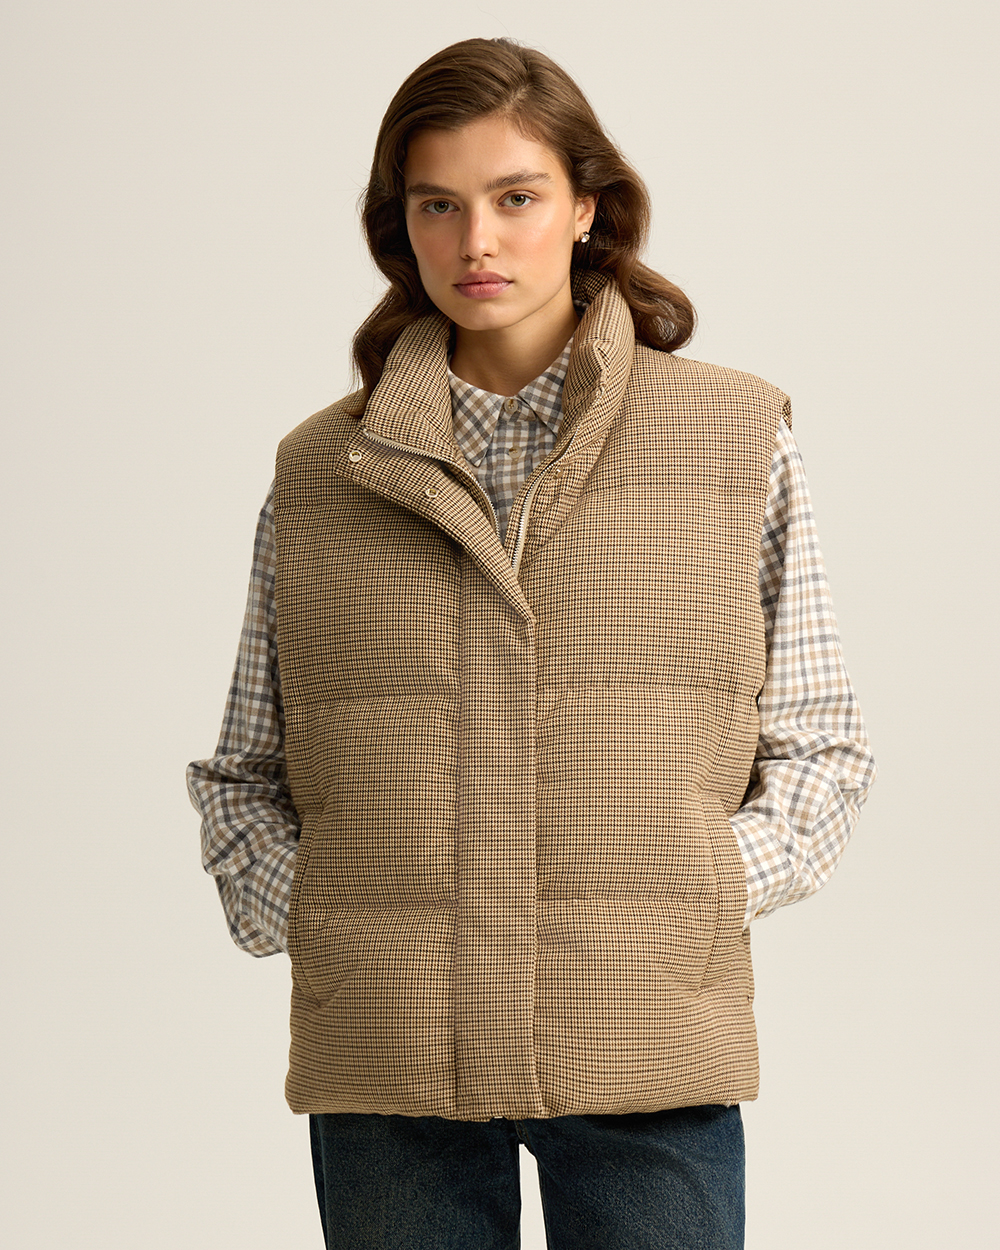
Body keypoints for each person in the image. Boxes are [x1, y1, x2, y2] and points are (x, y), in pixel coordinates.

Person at [187, 36, 876, 1250]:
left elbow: (821, 745)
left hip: (647, 1042)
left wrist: (695, 893)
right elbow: (245, 770)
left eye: (515, 198)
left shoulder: (730, 439)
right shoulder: (322, 471)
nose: (477, 241)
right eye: (438, 206)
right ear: (399, 226)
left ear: (587, 207)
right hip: (388, 1057)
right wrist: (334, 916)